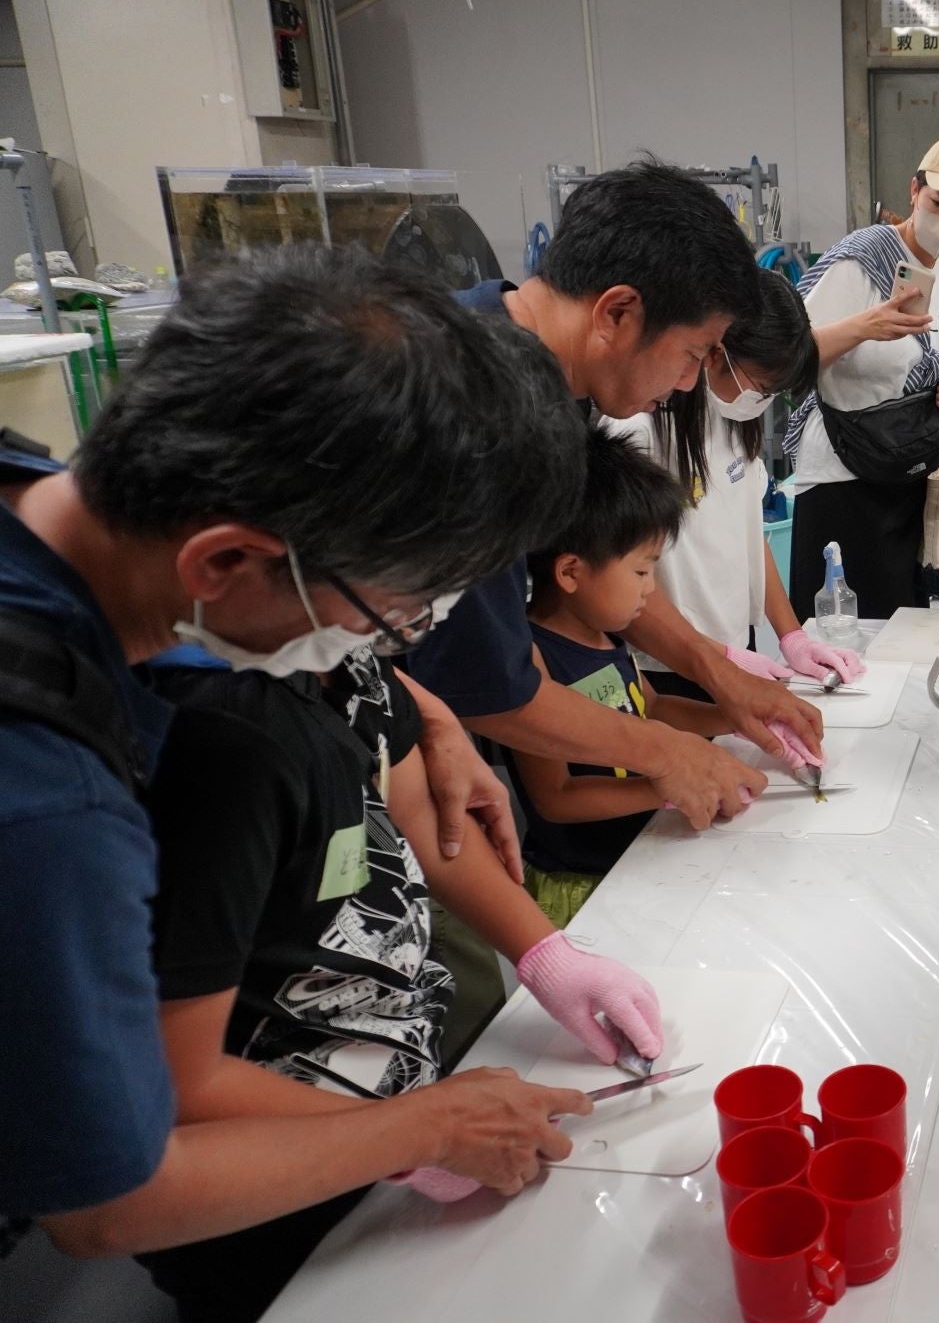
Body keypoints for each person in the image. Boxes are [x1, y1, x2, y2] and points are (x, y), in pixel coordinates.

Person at [0, 246, 590, 1259]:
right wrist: (422, 1128)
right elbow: (108, 1202)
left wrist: (430, 713)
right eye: (388, 621)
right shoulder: (52, 807)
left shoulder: (63, 497)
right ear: (226, 560)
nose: (381, 650)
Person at [141, 623, 666, 1318]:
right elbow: (174, 1082)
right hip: (272, 1186)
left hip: (395, 1120)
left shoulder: (340, 653)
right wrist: (414, 1135)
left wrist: (548, 954)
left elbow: (420, 810)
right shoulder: (223, 743)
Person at [408, 159, 822, 836]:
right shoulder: (483, 408)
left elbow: (610, 567)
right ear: (619, 311)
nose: (692, 384)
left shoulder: (539, 375)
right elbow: (486, 683)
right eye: (694, 352)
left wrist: (718, 673)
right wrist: (664, 752)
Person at [512, 430, 799, 926]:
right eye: (643, 572)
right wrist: (663, 785)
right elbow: (555, 799)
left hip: (644, 850)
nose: (652, 591)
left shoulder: (606, 634)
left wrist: (734, 718)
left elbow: (655, 707)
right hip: (583, 883)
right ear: (571, 572)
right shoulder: (530, 660)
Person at [609, 270, 861, 698]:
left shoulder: (735, 417)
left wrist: (792, 637)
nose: (761, 402)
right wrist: (716, 658)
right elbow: (620, 579)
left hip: (735, 646)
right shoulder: (639, 426)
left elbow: (750, 536)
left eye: (774, 393)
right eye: (761, 387)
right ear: (714, 351)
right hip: (668, 663)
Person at [785, 135, 939, 619]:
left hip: (908, 483)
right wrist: (865, 326)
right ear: (913, 191)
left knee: (899, 630)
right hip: (841, 479)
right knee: (838, 632)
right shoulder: (859, 260)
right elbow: (782, 359)